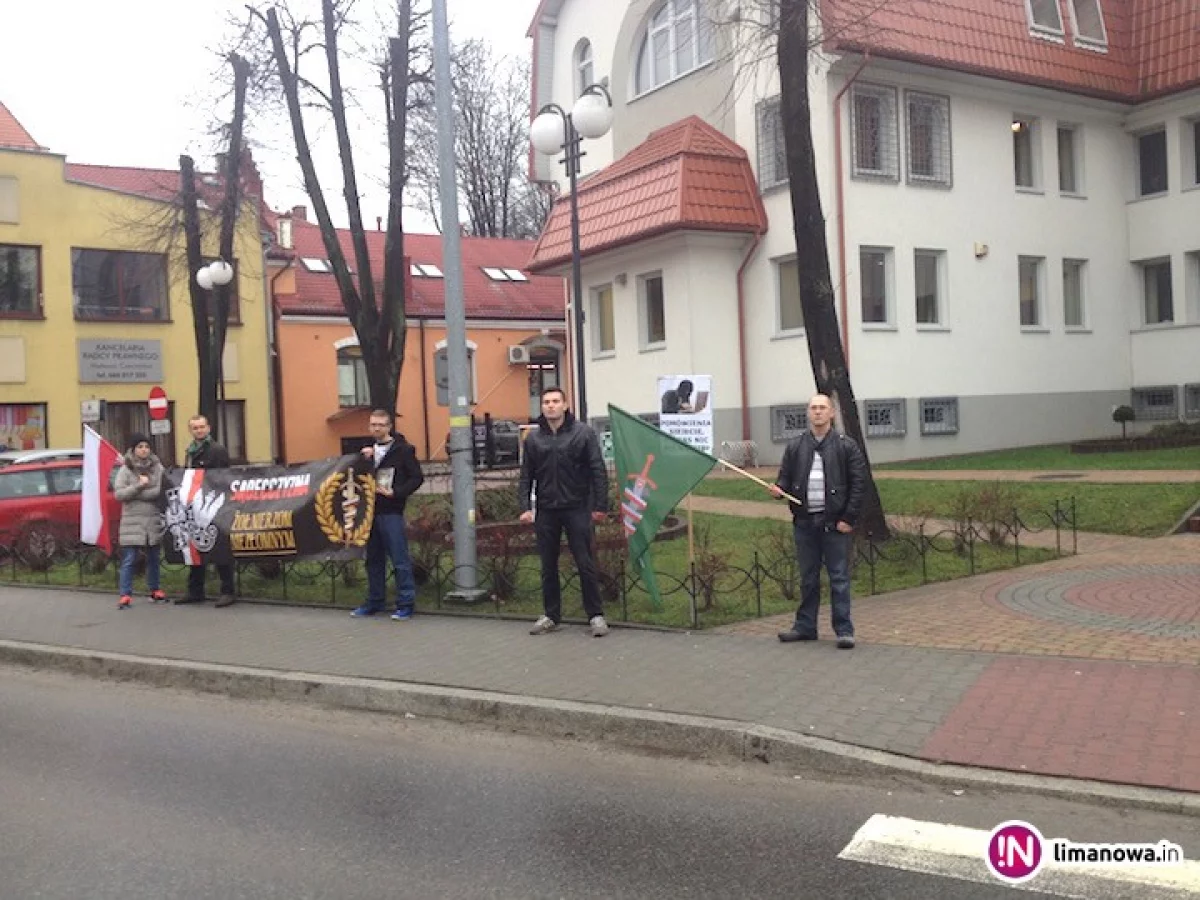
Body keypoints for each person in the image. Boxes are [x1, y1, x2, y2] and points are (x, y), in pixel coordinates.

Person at [769, 393, 867, 649]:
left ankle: (844, 630)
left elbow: (859, 485)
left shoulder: (847, 446)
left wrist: (848, 518)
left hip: (835, 525)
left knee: (839, 578)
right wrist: (779, 489)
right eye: (813, 408)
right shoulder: (795, 446)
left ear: (831, 413)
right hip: (804, 524)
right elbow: (785, 479)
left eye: (823, 408)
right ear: (808, 413)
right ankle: (805, 627)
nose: (818, 412)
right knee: (808, 578)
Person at [518, 387, 610, 637]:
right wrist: (525, 507)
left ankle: (595, 616)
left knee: (585, 563)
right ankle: (551, 615)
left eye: (556, 401)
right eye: (546, 402)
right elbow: (527, 475)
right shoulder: (534, 439)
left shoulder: (584, 433)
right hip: (547, 510)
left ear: (565, 405)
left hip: (577, 508)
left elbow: (597, 470)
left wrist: (600, 505)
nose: (550, 406)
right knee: (548, 565)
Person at [351, 410, 425, 620]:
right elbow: (352, 475)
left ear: (389, 427)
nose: (376, 428)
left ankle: (406, 603)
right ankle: (375, 601)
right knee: (373, 559)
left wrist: (397, 492)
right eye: (373, 424)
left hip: (391, 511)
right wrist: (361, 460)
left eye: (381, 425)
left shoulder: (403, 450)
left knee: (399, 558)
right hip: (368, 512)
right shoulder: (365, 450)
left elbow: (417, 478)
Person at [180, 414, 237, 608]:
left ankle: (227, 591)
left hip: (214, 505)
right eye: (195, 428)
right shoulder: (190, 451)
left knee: (220, 548)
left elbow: (223, 477)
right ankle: (195, 590)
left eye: (202, 427)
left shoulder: (217, 450)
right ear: (191, 431)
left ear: (208, 428)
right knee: (196, 547)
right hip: (195, 506)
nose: (199, 430)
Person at [113, 434, 166, 609]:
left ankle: (155, 589)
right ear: (133, 449)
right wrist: (139, 486)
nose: (144, 450)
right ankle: (125, 594)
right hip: (132, 522)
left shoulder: (158, 468)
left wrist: (139, 494)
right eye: (140, 446)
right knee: (129, 559)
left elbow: (161, 489)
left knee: (153, 558)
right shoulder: (125, 469)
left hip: (152, 519)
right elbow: (119, 494)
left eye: (146, 446)